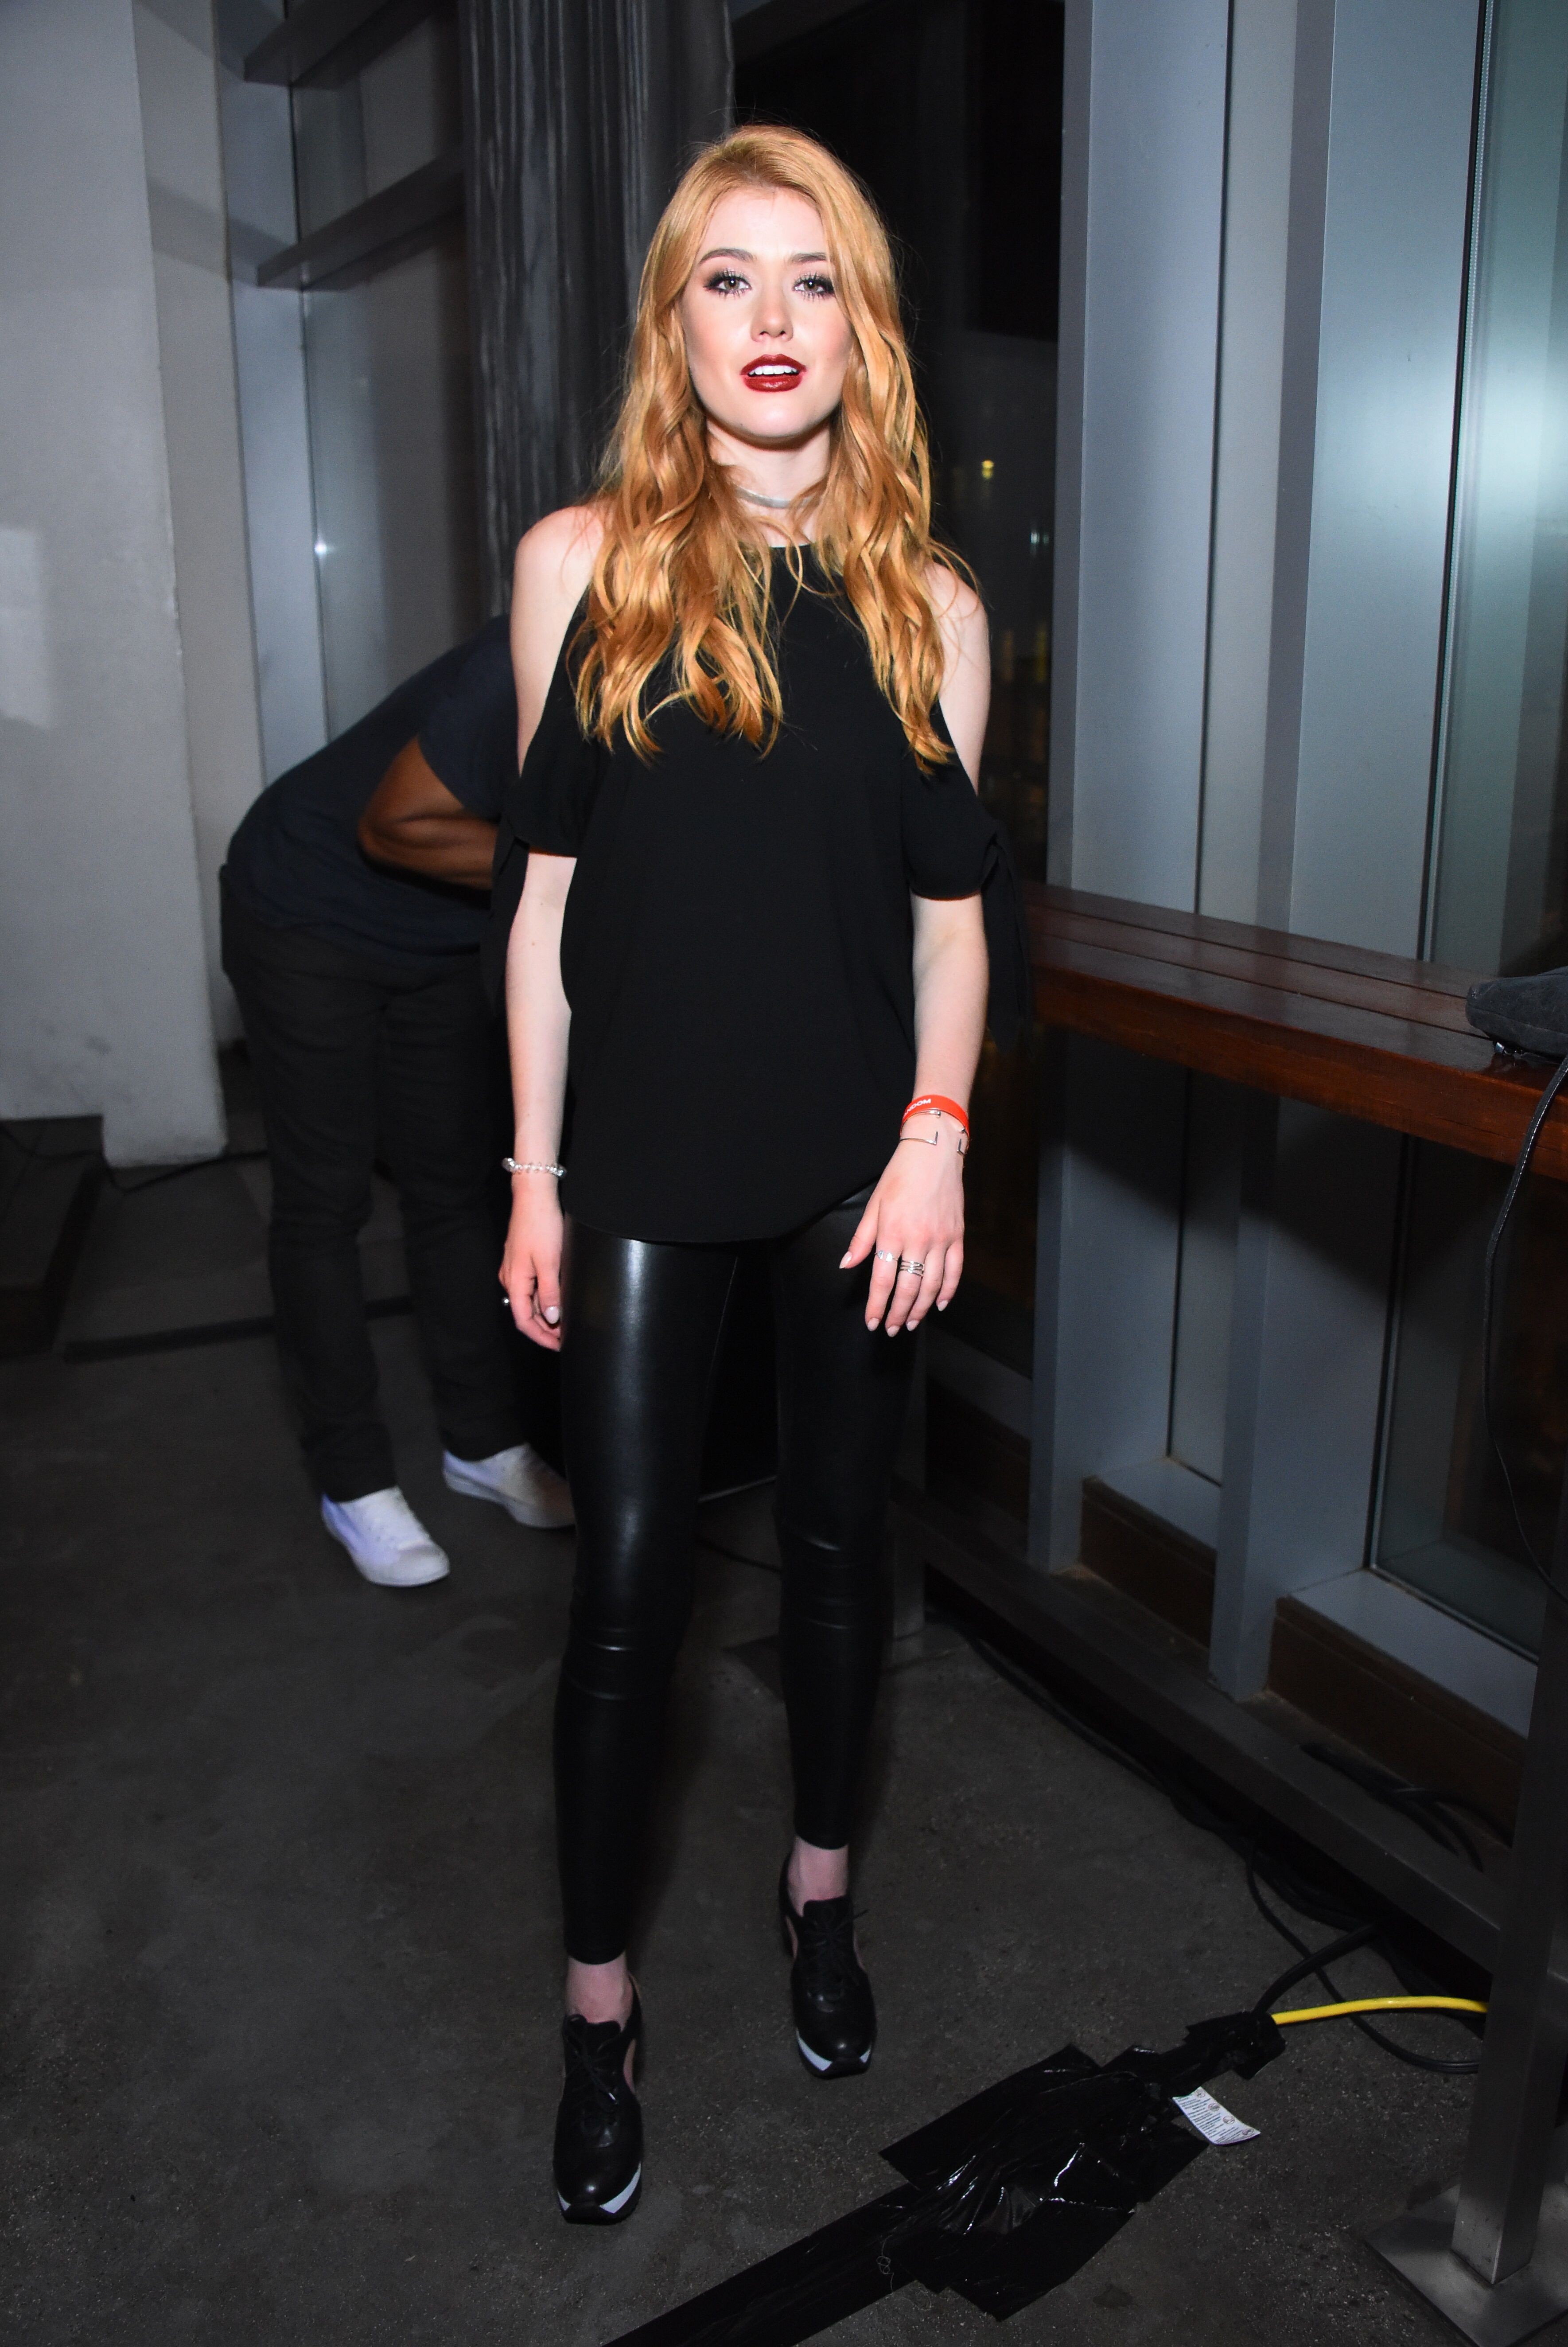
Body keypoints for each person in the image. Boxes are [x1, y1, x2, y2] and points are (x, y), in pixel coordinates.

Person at [498, 126, 1027, 2225]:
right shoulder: (583, 564)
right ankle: (596, 2014)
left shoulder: (929, 605)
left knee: (830, 1556)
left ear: (859, 326)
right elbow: (542, 909)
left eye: (812, 278)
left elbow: (951, 929)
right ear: (675, 324)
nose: (772, 318)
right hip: (636, 1149)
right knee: (626, 1590)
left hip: (852, 1169)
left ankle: (818, 1896)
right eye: (727, 278)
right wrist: (529, 1173)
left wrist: (936, 1138)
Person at [222, 626, 572, 1589]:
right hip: (309, 910)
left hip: (444, 935)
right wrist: (593, 871)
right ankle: (353, 1479)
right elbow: (396, 825)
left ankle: (482, 1443)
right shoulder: (538, 650)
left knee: (453, 1187)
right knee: (325, 1201)